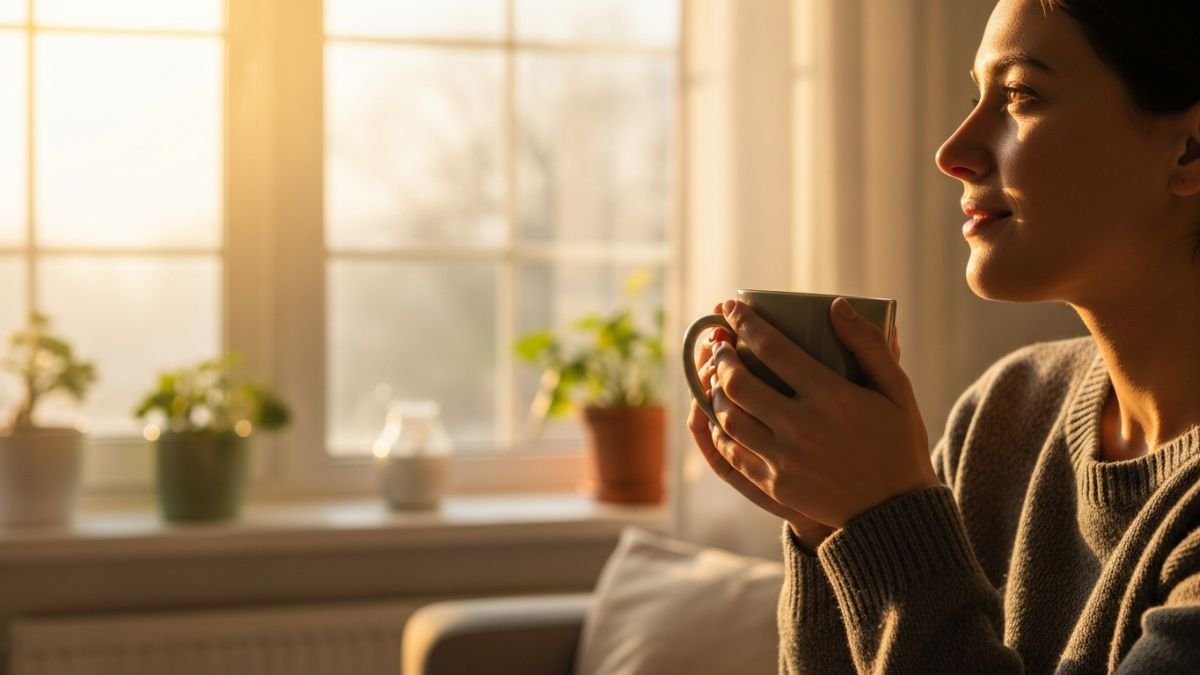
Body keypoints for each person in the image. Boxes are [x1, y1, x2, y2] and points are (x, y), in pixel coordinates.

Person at [687, 0, 1200, 672]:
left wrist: (886, 517)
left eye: (1020, 95)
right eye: (975, 96)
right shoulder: (1006, 411)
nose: (951, 153)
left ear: (1190, 151)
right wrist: (831, 527)